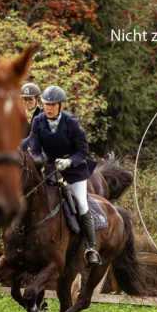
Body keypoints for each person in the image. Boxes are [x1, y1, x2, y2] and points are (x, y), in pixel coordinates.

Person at [25, 85, 101, 265]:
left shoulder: (71, 122)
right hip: (51, 168)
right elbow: (35, 149)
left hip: (74, 170)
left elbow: (82, 151)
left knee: (81, 203)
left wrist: (69, 162)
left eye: (52, 105)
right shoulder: (38, 121)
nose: (48, 108)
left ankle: (91, 247)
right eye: (46, 104)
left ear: (60, 106)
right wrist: (39, 161)